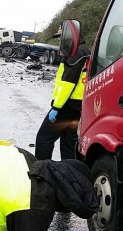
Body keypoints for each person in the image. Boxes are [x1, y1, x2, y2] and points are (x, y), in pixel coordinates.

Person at [34, 28, 90, 160]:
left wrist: (56, 107)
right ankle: (68, 174)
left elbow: (67, 83)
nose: (61, 41)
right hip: (78, 106)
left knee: (44, 138)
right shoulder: (85, 51)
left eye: (62, 37)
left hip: (67, 106)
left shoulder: (75, 53)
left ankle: (42, 171)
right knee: (68, 144)